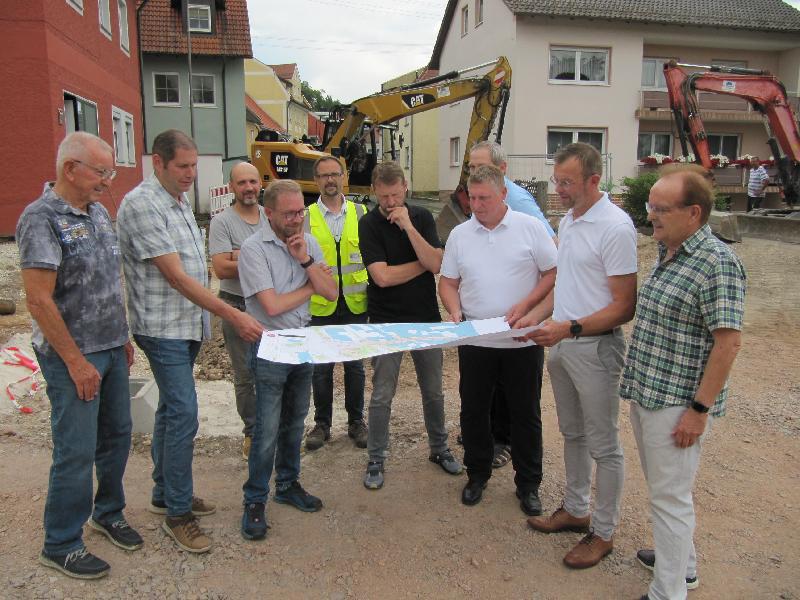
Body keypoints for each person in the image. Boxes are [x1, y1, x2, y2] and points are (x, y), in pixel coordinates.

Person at [117, 129, 263, 554]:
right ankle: (178, 514)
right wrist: (230, 313)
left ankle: (165, 494)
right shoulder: (144, 204)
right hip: (162, 327)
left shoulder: (176, 200)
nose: (190, 175)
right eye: (183, 166)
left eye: (194, 166)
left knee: (169, 412)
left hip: (185, 326)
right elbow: (177, 277)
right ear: (157, 162)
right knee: (184, 414)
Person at [17, 132, 141, 579]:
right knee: (76, 448)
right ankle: (62, 542)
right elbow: (39, 301)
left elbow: (108, 284)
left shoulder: (99, 214)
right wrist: (74, 361)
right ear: (70, 169)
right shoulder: (41, 219)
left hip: (109, 347)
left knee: (117, 435)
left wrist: (121, 336)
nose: (108, 182)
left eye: (110, 172)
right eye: (101, 172)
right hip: (74, 358)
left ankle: (107, 512)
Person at [621, 168, 745, 600]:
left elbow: (727, 344)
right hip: (649, 393)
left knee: (670, 499)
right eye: (650, 205)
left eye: (659, 208)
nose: (650, 214)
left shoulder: (717, 263)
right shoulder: (670, 250)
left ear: (693, 213)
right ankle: (683, 565)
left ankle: (668, 592)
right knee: (665, 491)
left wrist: (698, 411)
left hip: (676, 405)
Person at [521, 142, 637, 569]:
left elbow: (624, 305)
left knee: (604, 444)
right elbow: (566, 286)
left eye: (567, 182)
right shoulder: (568, 221)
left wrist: (567, 328)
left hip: (596, 347)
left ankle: (603, 533)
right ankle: (575, 508)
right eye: (557, 180)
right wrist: (534, 318)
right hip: (562, 343)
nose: (559, 189)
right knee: (573, 433)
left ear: (594, 180)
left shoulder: (616, 227)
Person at [439, 164, 557, 513]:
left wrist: (532, 309)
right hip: (476, 341)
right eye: (472, 198)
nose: (477, 205)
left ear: (503, 194)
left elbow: (553, 274)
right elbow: (448, 282)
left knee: (525, 413)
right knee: (474, 411)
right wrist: (454, 310)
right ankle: (476, 475)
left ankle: (529, 484)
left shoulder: (530, 228)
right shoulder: (461, 235)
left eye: (484, 198)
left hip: (522, 341)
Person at [238, 179, 337, 540]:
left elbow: (332, 293)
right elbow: (272, 305)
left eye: (300, 211)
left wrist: (306, 260)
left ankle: (288, 484)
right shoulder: (253, 250)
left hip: (303, 342)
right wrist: (311, 284)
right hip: (270, 346)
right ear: (269, 213)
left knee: (295, 422)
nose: (297, 219)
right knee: (266, 430)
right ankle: (254, 500)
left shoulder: (307, 243)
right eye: (289, 213)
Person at [358, 161, 462, 489]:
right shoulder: (368, 224)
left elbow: (437, 265)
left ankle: (439, 448)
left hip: (425, 319)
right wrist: (424, 263)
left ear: (405, 186)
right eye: (384, 196)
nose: (390, 203)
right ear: (375, 191)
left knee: (433, 391)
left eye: (395, 194)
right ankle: (376, 456)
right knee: (382, 394)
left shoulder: (421, 217)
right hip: (386, 321)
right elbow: (383, 277)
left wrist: (409, 229)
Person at [466, 141, 558, 470]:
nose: (474, 172)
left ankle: (506, 446)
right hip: (482, 333)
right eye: (471, 167)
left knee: (519, 402)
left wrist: (533, 304)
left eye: (480, 166)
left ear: (501, 174)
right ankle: (490, 444)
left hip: (519, 325)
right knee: (483, 397)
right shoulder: (479, 202)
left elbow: (550, 247)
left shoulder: (517, 201)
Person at [304, 155, 369, 451]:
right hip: (320, 306)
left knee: (355, 367)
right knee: (322, 368)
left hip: (356, 304)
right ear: (316, 180)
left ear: (343, 176)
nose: (330, 180)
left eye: (334, 174)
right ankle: (322, 424)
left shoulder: (362, 212)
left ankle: (356, 422)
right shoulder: (306, 218)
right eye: (323, 176)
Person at [209, 162, 268, 460]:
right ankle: (252, 433)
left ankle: (273, 430)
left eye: (253, 181)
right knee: (245, 375)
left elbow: (286, 257)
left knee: (271, 372)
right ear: (231, 187)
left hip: (270, 306)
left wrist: (240, 254)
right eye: (242, 182)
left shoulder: (269, 218)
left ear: (260, 184)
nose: (248, 188)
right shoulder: (223, 222)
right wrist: (261, 257)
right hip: (237, 305)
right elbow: (220, 269)